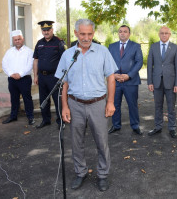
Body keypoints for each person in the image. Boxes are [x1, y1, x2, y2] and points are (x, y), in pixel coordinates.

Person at [55, 19, 117, 191]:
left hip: (98, 104)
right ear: (76, 33)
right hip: (75, 104)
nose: (86, 37)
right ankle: (80, 172)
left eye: (89, 34)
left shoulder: (102, 52)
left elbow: (111, 78)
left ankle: (103, 174)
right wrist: (65, 106)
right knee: (76, 142)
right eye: (82, 34)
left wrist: (110, 102)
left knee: (101, 141)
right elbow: (64, 83)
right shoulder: (68, 55)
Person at [147, 26, 177, 138]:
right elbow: (149, 66)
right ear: (159, 34)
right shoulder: (153, 47)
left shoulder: (175, 48)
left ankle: (172, 128)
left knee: (171, 107)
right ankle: (158, 127)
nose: (164, 35)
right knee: (158, 106)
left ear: (170, 34)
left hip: (171, 83)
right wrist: (150, 82)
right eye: (162, 33)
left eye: (166, 33)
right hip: (157, 82)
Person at [108, 25, 143, 135]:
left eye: (125, 31)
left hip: (131, 81)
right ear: (118, 33)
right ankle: (116, 125)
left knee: (132, 104)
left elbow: (139, 62)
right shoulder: (111, 46)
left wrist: (128, 75)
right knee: (115, 104)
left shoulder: (136, 46)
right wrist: (113, 75)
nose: (122, 33)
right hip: (115, 81)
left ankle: (135, 125)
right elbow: (107, 62)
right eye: (120, 31)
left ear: (129, 34)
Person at [33, 20, 65, 129]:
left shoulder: (59, 42)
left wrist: (63, 77)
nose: (46, 32)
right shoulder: (39, 43)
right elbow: (36, 60)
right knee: (44, 99)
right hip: (42, 77)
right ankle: (45, 120)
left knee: (57, 100)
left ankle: (60, 122)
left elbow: (64, 60)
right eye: (44, 30)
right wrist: (35, 76)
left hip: (54, 77)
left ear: (52, 30)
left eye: (48, 30)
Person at [1, 30, 35, 125]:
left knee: (27, 98)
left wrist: (20, 74)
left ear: (22, 39)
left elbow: (30, 65)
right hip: (12, 79)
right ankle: (13, 116)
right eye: (15, 40)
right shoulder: (9, 52)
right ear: (13, 40)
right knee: (14, 98)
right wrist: (11, 73)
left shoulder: (29, 51)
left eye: (19, 39)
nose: (17, 41)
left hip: (24, 79)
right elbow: (4, 64)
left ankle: (30, 117)